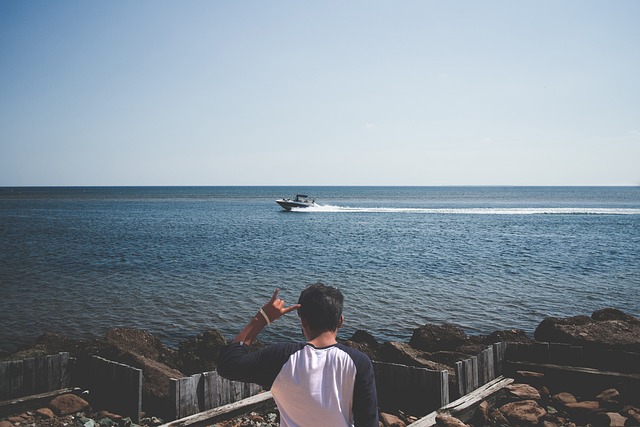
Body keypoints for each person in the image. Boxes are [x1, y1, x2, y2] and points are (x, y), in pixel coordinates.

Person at [217, 284, 379, 427]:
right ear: (340, 321)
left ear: (303, 322)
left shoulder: (281, 357)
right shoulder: (358, 362)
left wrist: (262, 318)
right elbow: (367, 422)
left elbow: (229, 364)